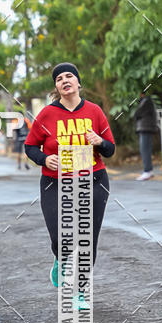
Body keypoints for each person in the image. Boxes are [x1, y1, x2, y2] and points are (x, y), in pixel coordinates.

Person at [24, 63, 115, 297]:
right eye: (59, 79)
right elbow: (30, 146)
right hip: (55, 183)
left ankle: (80, 291)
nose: (64, 80)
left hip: (93, 180)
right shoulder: (47, 114)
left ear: (78, 82)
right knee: (61, 235)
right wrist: (45, 159)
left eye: (69, 76)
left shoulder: (94, 111)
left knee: (87, 238)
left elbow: (110, 149)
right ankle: (61, 258)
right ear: (56, 87)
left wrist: (99, 142)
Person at [134, 92, 159, 180]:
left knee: (145, 150)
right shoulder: (146, 101)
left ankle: (147, 171)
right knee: (145, 149)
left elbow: (137, 113)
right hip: (145, 128)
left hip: (146, 128)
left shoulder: (146, 101)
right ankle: (148, 171)